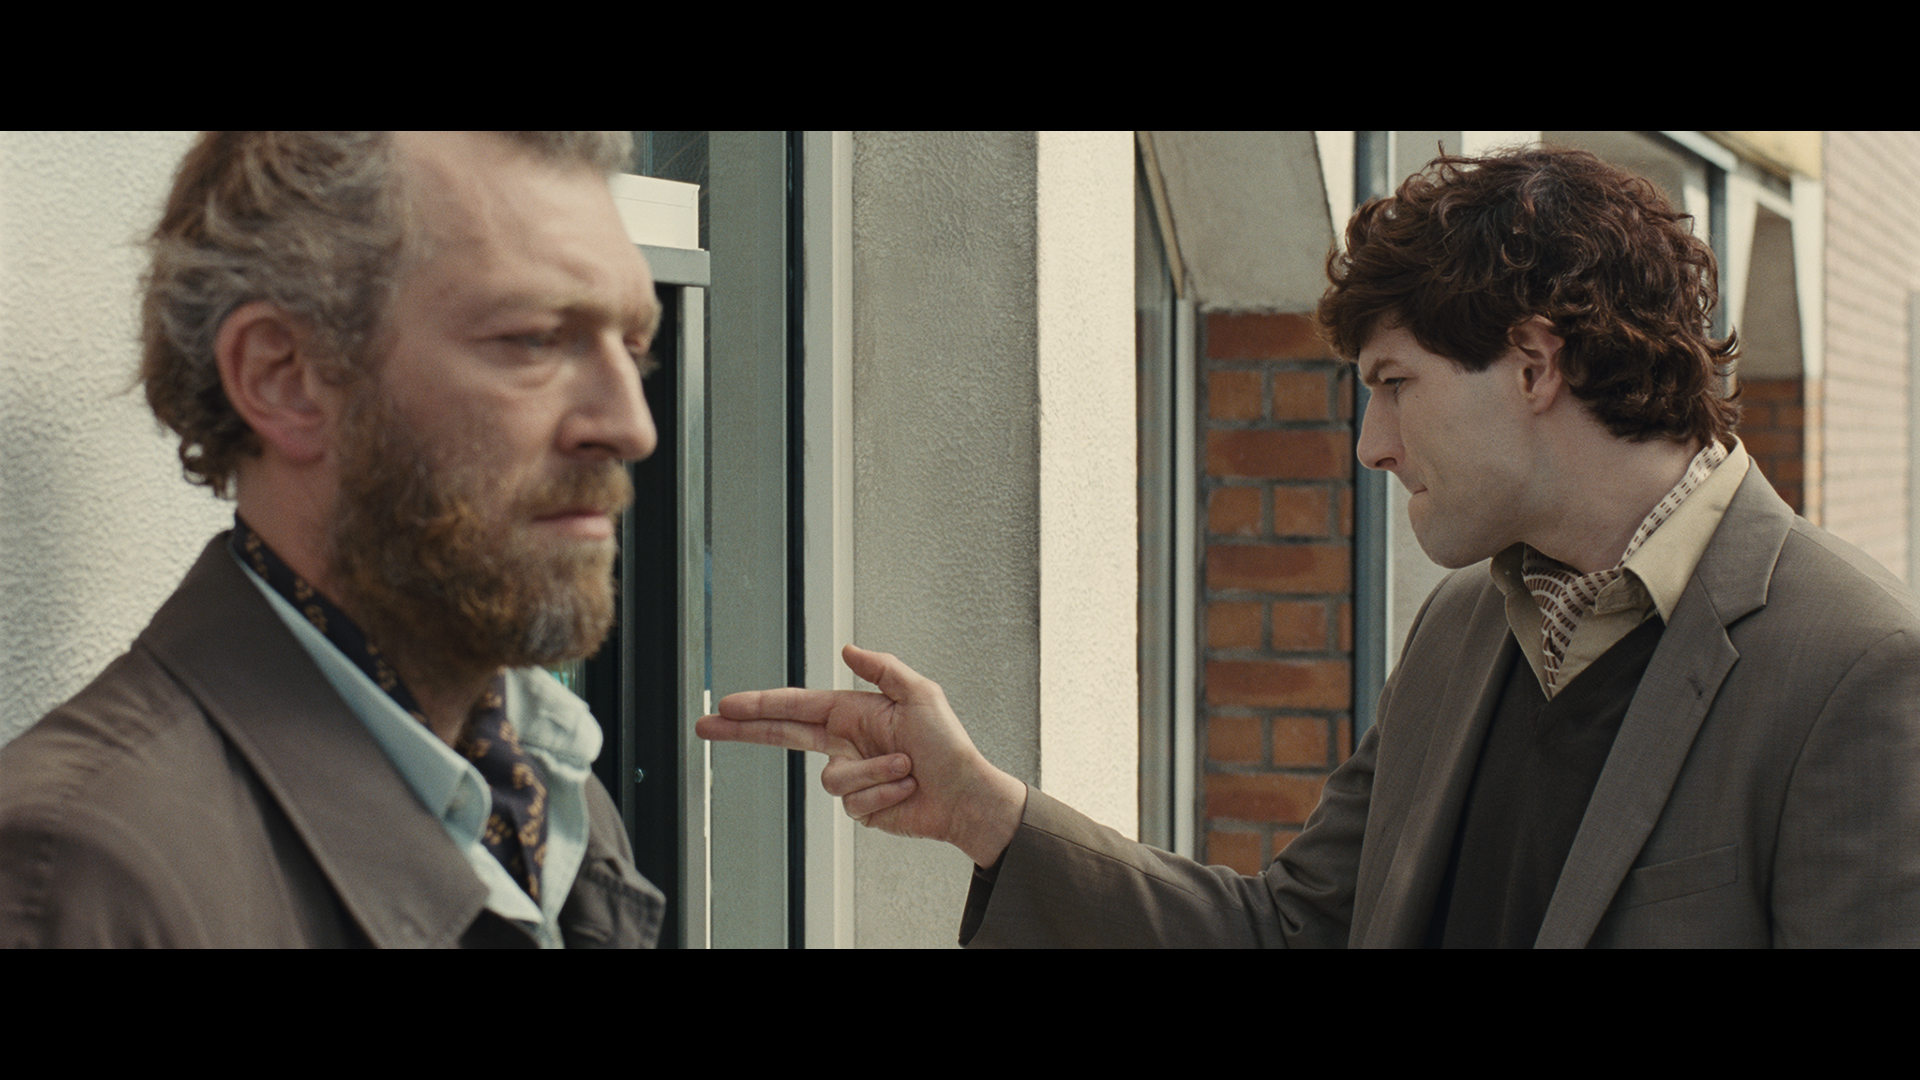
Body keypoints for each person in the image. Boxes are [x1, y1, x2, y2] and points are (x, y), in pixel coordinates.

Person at [699, 147, 1920, 947]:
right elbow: (1288, 934)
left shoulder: (1856, 670)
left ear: (1534, 364)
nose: (1370, 445)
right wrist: (987, 813)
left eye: (1394, 384)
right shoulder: (1465, 626)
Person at [0, 131, 666, 948]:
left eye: (635, 348)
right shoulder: (79, 882)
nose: (631, 426)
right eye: (533, 339)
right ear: (282, 377)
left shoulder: (548, 792)